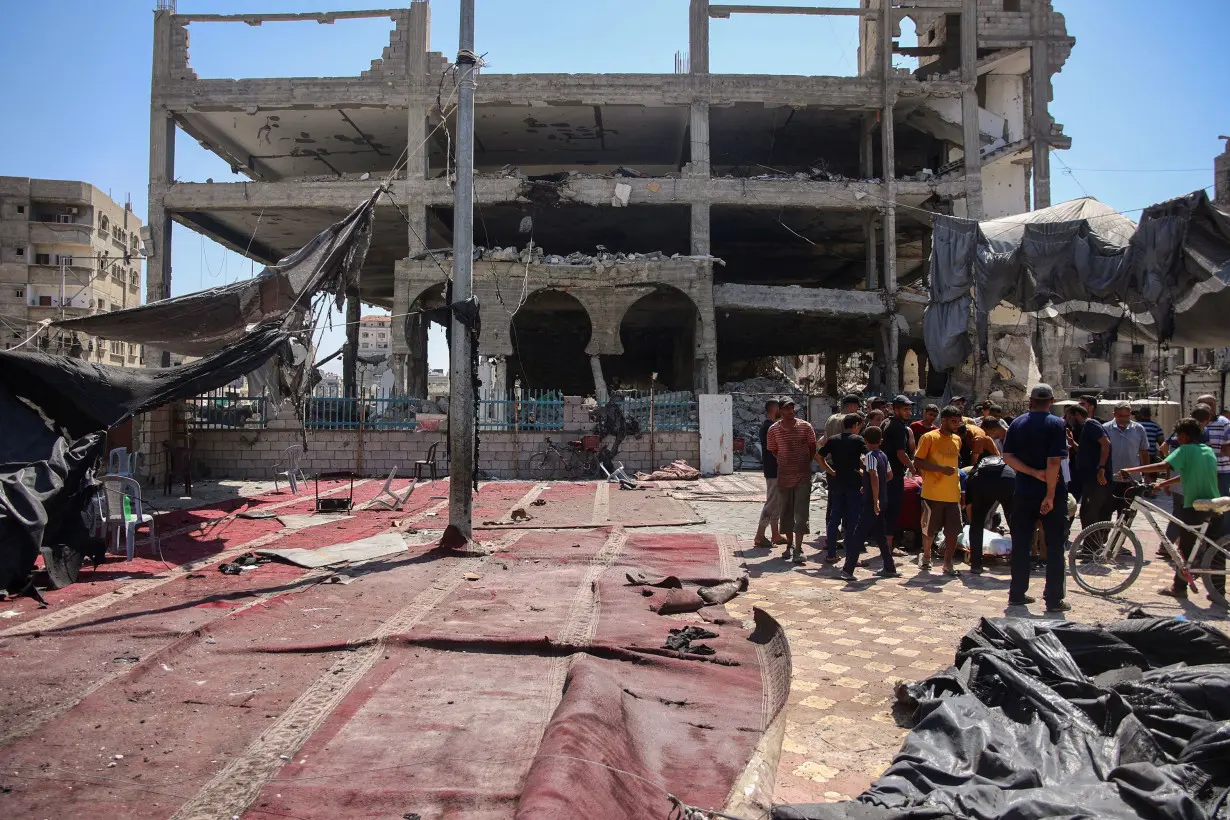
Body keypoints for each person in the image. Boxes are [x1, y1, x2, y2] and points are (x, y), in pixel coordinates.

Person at [1119, 417, 1221, 601]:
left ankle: (1179, 588)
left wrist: (1132, 469)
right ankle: (1218, 591)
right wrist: (1164, 483)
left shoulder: (1185, 449)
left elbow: (1163, 465)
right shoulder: (1207, 451)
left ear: (1183, 435)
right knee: (1215, 548)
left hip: (1194, 505)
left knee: (1185, 548)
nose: (1177, 439)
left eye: (1178, 435)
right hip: (1213, 502)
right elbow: (1188, 475)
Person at [1001, 384, 1070, 612]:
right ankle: (1053, 599)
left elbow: (1008, 456)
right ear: (1051, 400)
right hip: (1051, 492)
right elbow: (1053, 462)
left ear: (1030, 400)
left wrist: (1030, 472)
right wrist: (1049, 494)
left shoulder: (1018, 424)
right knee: (1054, 545)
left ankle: (1017, 594)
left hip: (1023, 491)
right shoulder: (1056, 424)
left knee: (1021, 543)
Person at [840, 425, 896, 581]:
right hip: (883, 499)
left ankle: (848, 570)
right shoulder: (883, 456)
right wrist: (872, 487)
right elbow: (889, 475)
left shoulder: (870, 456)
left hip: (873, 502)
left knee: (859, 535)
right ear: (881, 441)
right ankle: (889, 567)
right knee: (880, 535)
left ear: (865, 441)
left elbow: (874, 475)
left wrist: (874, 496)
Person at [913, 405, 964, 574]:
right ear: (944, 420)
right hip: (932, 492)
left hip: (953, 494)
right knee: (929, 529)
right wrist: (940, 469)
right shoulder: (929, 437)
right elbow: (918, 462)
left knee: (953, 531)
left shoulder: (957, 439)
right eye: (953, 421)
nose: (957, 424)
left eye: (958, 421)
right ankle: (926, 556)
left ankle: (947, 563)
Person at [767, 398, 817, 564]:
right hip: (784, 476)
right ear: (780, 411)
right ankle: (789, 544)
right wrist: (785, 460)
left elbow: (812, 447)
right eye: (786, 409)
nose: (790, 411)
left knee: (801, 514)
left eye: (792, 408)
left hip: (802, 476)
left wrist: (803, 463)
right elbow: (773, 450)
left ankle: (798, 548)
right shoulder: (773, 430)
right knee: (786, 513)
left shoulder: (805, 427)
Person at [963, 418, 1014, 575]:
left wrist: (972, 521)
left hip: (982, 483)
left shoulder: (970, 474)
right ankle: (1019, 560)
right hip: (1008, 479)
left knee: (977, 524)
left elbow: (970, 507)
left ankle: (976, 565)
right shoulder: (996, 459)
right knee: (1014, 521)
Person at [819, 414, 867, 565]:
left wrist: (830, 471)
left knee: (834, 520)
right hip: (853, 484)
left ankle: (831, 554)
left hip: (837, 482)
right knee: (852, 521)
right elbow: (868, 456)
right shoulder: (858, 440)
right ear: (856, 425)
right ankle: (851, 557)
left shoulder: (833, 440)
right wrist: (864, 471)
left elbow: (819, 456)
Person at [753, 399, 787, 550]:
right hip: (774, 470)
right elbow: (776, 449)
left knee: (777, 503)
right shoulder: (769, 428)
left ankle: (775, 534)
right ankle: (760, 535)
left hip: (775, 469)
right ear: (774, 409)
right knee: (772, 502)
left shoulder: (769, 427)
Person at [1104, 402, 1150, 512]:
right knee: (1105, 512)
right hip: (1110, 479)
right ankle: (1104, 530)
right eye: (1121, 416)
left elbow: (1144, 452)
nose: (1124, 419)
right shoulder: (1105, 428)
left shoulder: (1138, 429)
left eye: (1127, 416)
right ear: (1114, 414)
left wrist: (1147, 474)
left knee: (1126, 514)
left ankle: (1122, 530)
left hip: (1132, 480)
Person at [883, 396, 914, 554]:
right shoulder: (897, 427)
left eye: (909, 409)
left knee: (886, 509)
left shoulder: (888, 423)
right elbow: (901, 454)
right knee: (893, 509)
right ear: (896, 410)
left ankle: (887, 545)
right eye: (905, 409)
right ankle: (888, 547)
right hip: (894, 474)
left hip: (887, 473)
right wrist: (913, 468)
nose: (908, 412)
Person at [1076, 394, 1113, 528]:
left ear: (1091, 407)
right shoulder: (1084, 426)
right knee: (1088, 512)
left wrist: (1101, 468)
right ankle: (1092, 545)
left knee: (1089, 512)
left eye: (1082, 404)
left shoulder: (1092, 423)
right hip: (1087, 478)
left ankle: (1092, 546)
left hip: (1095, 477)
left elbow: (1106, 443)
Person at [1201, 406, 1230, 496]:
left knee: (1222, 499)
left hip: (1221, 470)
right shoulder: (1197, 425)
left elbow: (1227, 450)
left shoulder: (1224, 423)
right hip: (1205, 470)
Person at [1065, 404, 1089, 502]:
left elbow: (1084, 451)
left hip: (1083, 471)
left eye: (1070, 417)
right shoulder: (1074, 429)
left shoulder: (1087, 429)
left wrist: (1071, 442)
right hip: (1074, 469)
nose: (1068, 420)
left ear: (1077, 415)